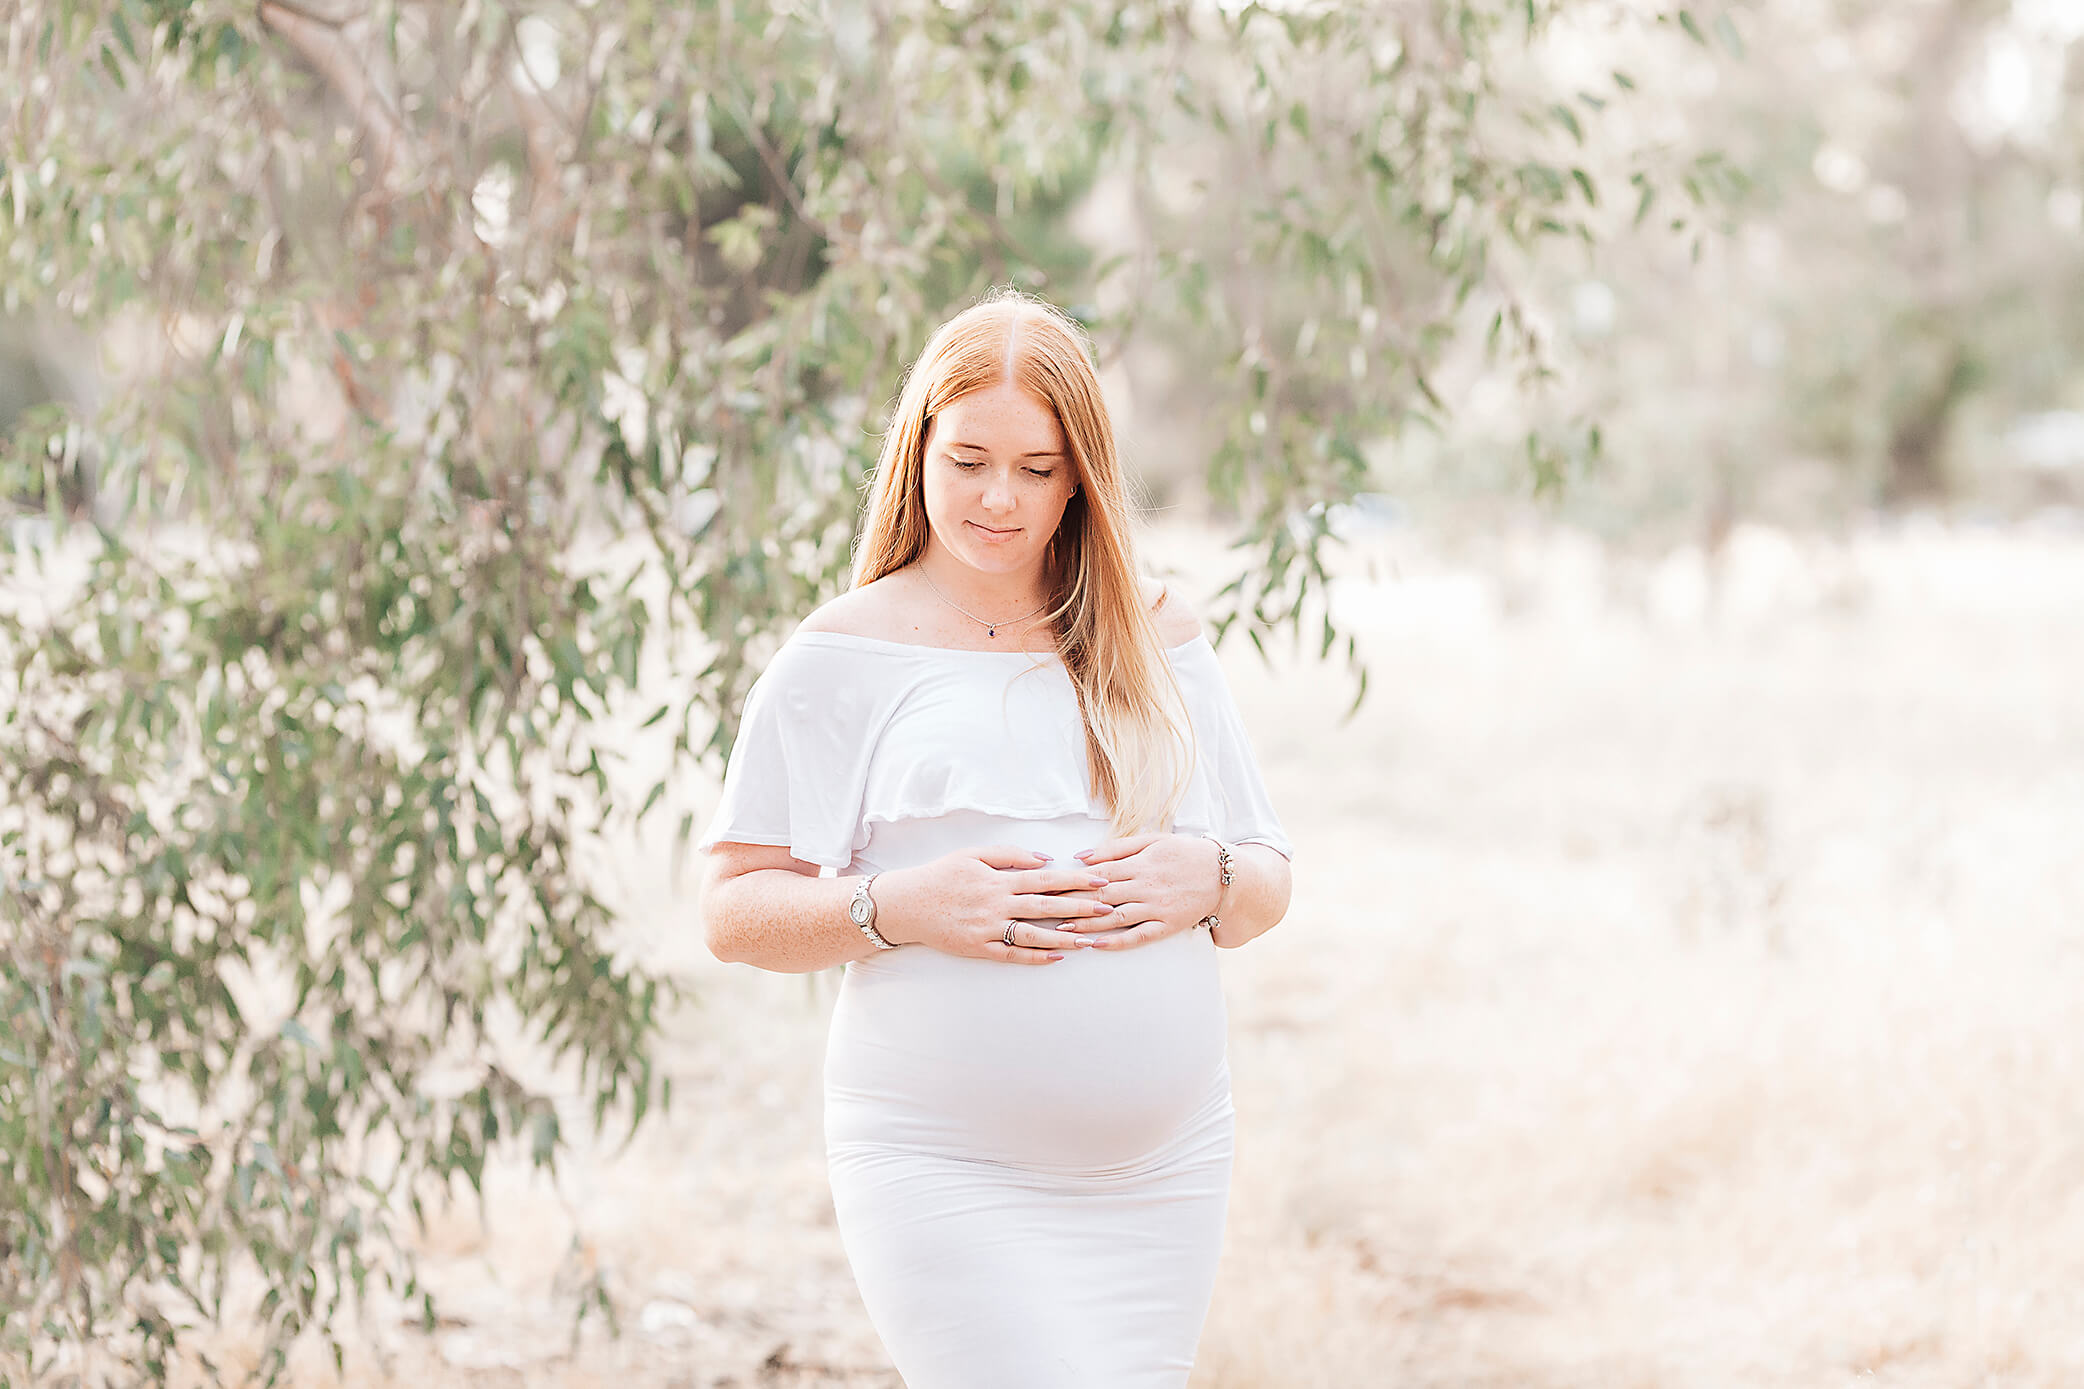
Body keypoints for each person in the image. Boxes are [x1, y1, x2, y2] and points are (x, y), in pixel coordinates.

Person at [695, 289, 1294, 1388]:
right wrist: (896, 908)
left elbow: (1264, 890)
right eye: (968, 458)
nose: (997, 498)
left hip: (1160, 1170)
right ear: (918, 444)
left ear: (1079, 478)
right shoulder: (840, 655)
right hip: (941, 1163)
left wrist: (1205, 876)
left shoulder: (1157, 635)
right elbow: (733, 913)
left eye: (1035, 467)